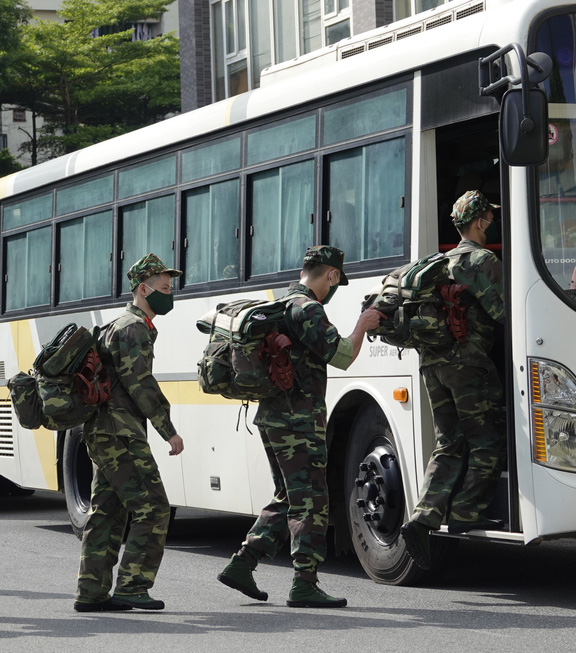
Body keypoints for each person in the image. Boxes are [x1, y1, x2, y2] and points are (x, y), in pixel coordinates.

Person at [217, 245, 382, 608]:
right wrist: (363, 325)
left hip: (273, 418)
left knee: (289, 497)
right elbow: (342, 356)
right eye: (337, 281)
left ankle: (242, 564)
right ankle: (304, 583)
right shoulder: (307, 308)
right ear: (332, 275)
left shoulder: (284, 303)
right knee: (312, 501)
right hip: (299, 422)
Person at [400, 190, 506, 570]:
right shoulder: (482, 260)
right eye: (490, 218)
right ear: (478, 222)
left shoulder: (441, 263)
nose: (492, 223)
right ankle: (465, 513)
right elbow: (504, 311)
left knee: (449, 441)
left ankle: (423, 517)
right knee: (487, 440)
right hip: (469, 365)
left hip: (432, 365)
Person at [74, 253, 185, 613]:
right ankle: (133, 586)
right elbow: (141, 384)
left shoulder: (117, 325)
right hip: (120, 434)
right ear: (143, 288)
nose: (170, 294)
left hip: (105, 432)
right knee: (153, 508)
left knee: (107, 511)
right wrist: (168, 430)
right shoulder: (132, 328)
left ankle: (92, 591)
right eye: (164, 288)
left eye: (171, 287)